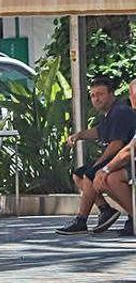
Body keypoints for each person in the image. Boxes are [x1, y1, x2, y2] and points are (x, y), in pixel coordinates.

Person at [56, 77, 136, 235]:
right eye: (92, 95)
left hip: (126, 160)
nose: (96, 98)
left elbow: (117, 145)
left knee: (94, 175)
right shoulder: (111, 113)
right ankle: (106, 210)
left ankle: (81, 220)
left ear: (112, 94)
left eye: (100, 94)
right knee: (79, 175)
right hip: (124, 159)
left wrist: (101, 166)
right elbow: (99, 131)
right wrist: (79, 135)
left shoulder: (120, 111)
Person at [95, 82, 136, 237]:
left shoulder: (122, 112)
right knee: (109, 178)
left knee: (111, 178)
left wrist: (105, 168)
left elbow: (128, 150)